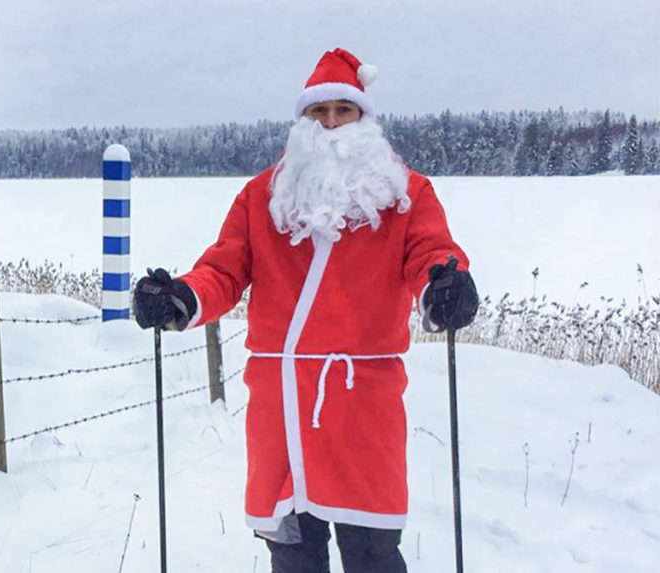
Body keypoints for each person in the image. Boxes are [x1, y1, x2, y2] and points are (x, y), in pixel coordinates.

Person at [132, 48, 479, 573]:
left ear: (364, 118)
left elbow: (429, 252)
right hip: (282, 407)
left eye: (344, 110)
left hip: (362, 405)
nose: (333, 123)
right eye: (321, 112)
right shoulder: (263, 197)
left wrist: (445, 282)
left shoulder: (405, 194)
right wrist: (181, 296)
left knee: (373, 556)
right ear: (303, 121)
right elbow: (224, 270)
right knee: (292, 555)